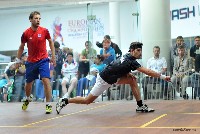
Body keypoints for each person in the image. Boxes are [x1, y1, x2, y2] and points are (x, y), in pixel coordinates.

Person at [56, 42, 171, 114]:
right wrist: (163, 76)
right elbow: (148, 71)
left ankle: (140, 106)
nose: (140, 52)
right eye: (138, 50)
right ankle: (65, 100)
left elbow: (119, 67)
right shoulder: (131, 61)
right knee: (87, 101)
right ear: (132, 51)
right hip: (103, 80)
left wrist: (126, 73)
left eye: (141, 50)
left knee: (132, 79)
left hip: (114, 78)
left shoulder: (128, 57)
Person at [16, 11, 56, 114]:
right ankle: (28, 98)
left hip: (43, 60)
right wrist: (17, 60)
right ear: (30, 19)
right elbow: (21, 46)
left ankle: (48, 105)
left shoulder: (44, 31)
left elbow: (51, 42)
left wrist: (53, 56)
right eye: (35, 18)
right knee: (28, 84)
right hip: (31, 62)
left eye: (39, 18)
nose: (38, 20)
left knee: (46, 80)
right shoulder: (25, 33)